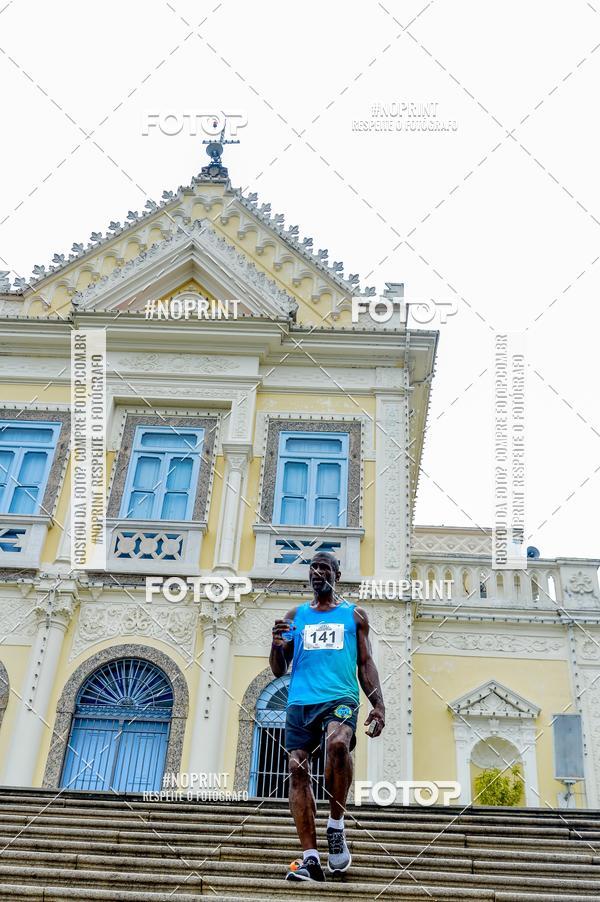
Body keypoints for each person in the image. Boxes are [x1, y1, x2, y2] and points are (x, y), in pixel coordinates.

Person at [270, 550, 386, 882]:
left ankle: (335, 824)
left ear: (337, 575)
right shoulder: (296, 616)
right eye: (314, 567)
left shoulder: (354, 615)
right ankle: (310, 859)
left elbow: (365, 663)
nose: (318, 572)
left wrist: (378, 705)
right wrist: (276, 644)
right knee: (297, 768)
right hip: (301, 701)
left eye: (325, 567)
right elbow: (278, 669)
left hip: (340, 697)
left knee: (337, 745)